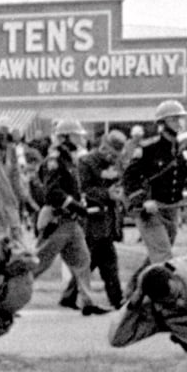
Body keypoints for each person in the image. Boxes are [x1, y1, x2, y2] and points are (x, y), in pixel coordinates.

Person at [33, 119, 110, 316]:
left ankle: (88, 302)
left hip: (70, 220)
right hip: (57, 220)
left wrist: (79, 205)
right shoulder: (55, 159)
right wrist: (75, 205)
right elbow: (53, 193)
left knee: (83, 260)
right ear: (66, 137)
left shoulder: (69, 159)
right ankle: (6, 298)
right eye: (76, 135)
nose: (80, 138)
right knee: (39, 262)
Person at [123, 100, 187, 267]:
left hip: (172, 210)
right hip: (149, 211)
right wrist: (144, 200)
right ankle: (168, 293)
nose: (179, 123)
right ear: (162, 123)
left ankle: (134, 291)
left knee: (157, 255)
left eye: (180, 118)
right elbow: (129, 178)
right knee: (163, 256)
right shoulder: (148, 148)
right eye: (174, 119)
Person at [59, 130, 128, 310]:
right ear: (103, 147)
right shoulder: (86, 163)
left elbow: (119, 183)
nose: (113, 157)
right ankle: (115, 298)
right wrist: (107, 194)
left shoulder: (114, 164)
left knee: (102, 261)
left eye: (116, 155)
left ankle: (112, 297)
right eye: (111, 153)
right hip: (92, 218)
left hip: (108, 219)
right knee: (96, 260)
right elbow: (84, 189)